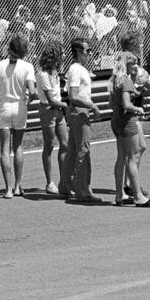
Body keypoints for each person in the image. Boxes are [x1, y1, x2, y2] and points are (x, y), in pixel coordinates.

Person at [0, 34, 36, 198]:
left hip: (4, 107)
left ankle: (8, 188)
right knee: (18, 146)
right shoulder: (27, 66)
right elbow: (33, 91)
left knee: (5, 148)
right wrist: (28, 101)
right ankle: (18, 186)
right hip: (20, 106)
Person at [110, 53, 150, 208]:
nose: (136, 66)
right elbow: (126, 103)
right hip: (127, 121)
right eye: (134, 63)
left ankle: (120, 194)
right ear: (127, 64)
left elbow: (115, 101)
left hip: (116, 120)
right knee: (132, 157)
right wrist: (138, 109)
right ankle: (138, 196)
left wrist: (140, 87)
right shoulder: (126, 81)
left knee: (121, 157)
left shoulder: (115, 80)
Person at [63, 39, 103, 204]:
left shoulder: (79, 69)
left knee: (72, 151)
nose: (90, 54)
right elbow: (73, 96)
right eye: (88, 51)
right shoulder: (76, 70)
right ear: (79, 52)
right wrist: (92, 105)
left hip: (78, 111)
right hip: (79, 112)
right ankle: (83, 190)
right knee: (83, 151)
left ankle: (66, 186)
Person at [34, 42, 68, 197]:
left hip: (58, 110)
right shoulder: (42, 74)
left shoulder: (55, 72)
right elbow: (50, 99)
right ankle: (49, 182)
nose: (64, 56)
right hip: (48, 110)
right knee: (49, 145)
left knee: (65, 144)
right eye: (61, 53)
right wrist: (66, 104)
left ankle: (64, 180)